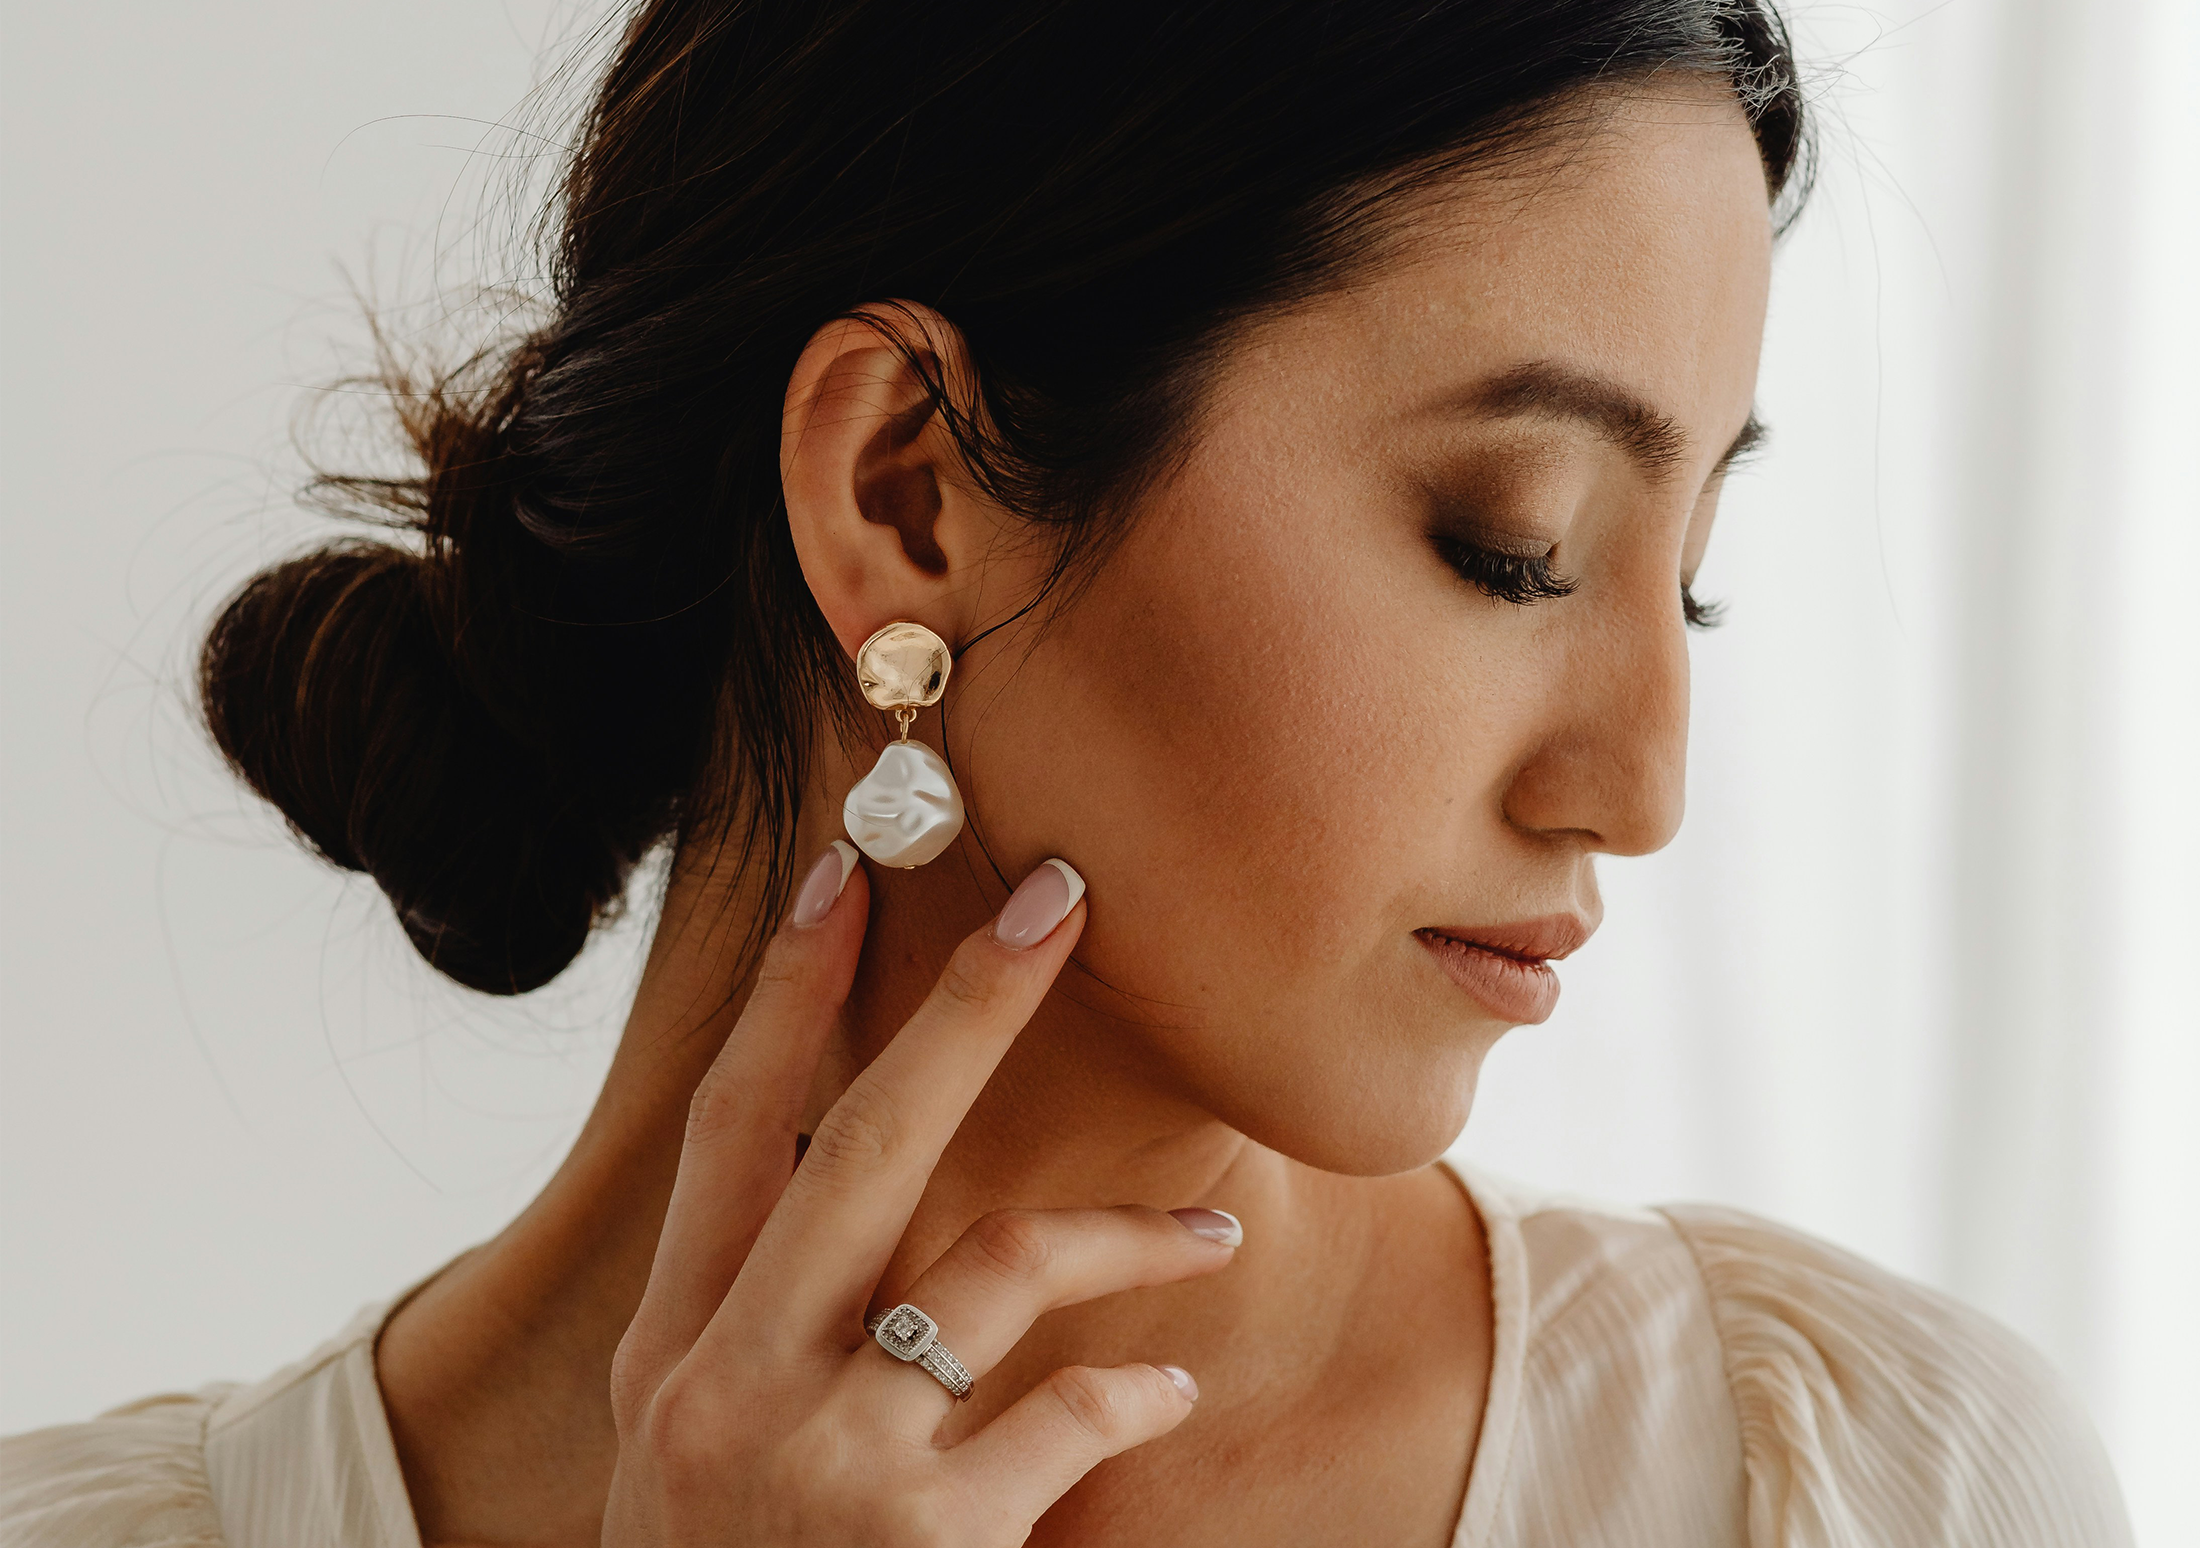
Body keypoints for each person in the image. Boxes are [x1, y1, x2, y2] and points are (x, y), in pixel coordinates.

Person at [0, 1, 2133, 1543]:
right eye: (1516, 546)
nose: (1639, 790)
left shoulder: (1857, 1480)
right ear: (905, 493)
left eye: (1694, 582)